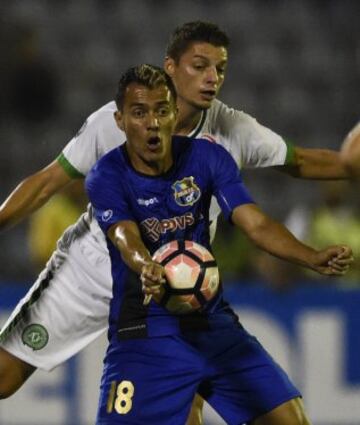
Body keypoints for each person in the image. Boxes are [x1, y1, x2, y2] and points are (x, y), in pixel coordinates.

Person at [0, 20, 350, 423]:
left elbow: (300, 163)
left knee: (187, 401)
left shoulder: (228, 133)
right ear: (171, 67)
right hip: (89, 273)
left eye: (219, 69)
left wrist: (348, 166)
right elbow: (46, 184)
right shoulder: (111, 126)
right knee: (5, 378)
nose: (212, 78)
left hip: (175, 286)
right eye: (200, 66)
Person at [86, 64, 352, 425]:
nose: (152, 122)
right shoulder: (107, 174)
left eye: (161, 110)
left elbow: (254, 223)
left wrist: (311, 256)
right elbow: (123, 235)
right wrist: (144, 264)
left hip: (211, 324)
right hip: (146, 332)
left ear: (174, 112)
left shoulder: (207, 158)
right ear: (120, 120)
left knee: (291, 421)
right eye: (139, 112)